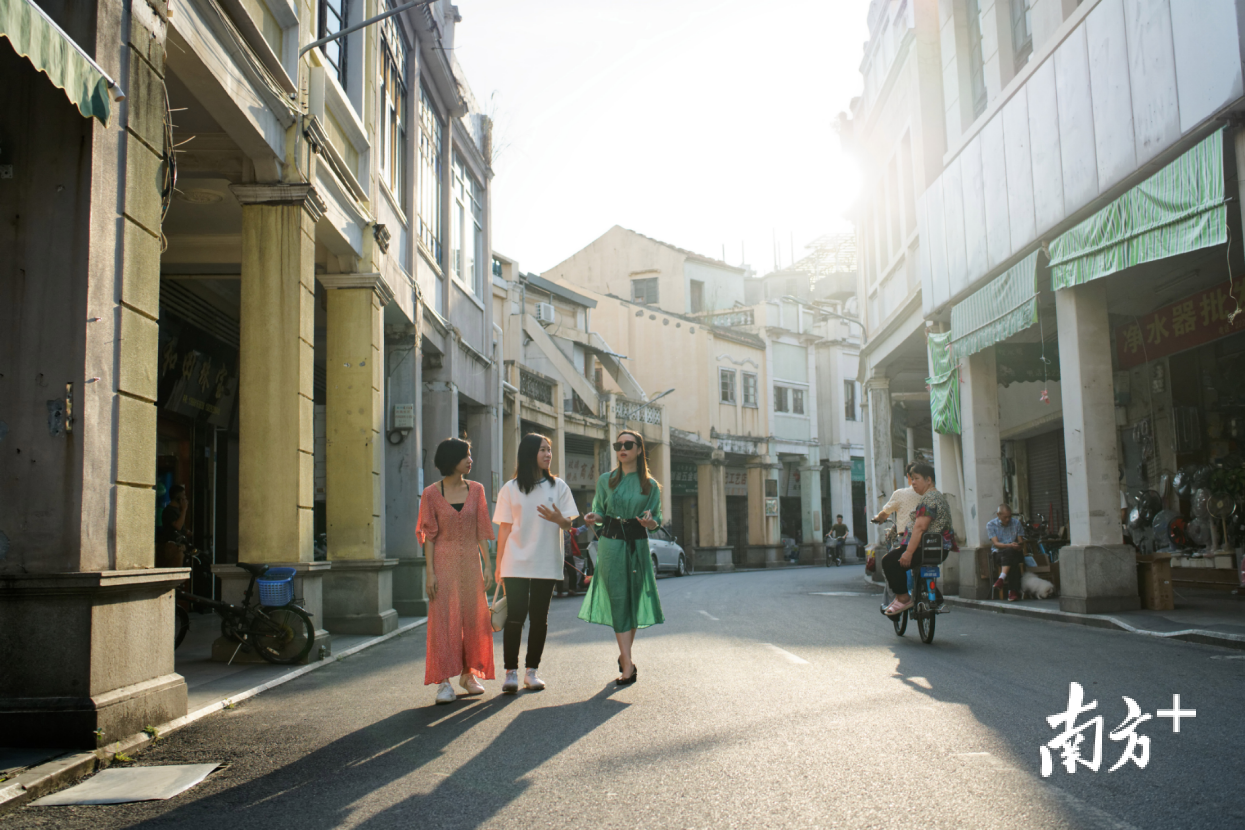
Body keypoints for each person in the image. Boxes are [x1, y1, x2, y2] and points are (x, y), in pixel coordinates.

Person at [494, 433, 579, 694]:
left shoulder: (559, 486)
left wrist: (559, 520)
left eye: (549, 450)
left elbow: (569, 525)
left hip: (546, 561)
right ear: (530, 453)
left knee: (539, 618)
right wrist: (498, 566)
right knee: (515, 616)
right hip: (515, 562)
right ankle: (511, 672)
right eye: (542, 450)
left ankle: (532, 672)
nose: (547, 454)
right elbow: (505, 529)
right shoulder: (510, 488)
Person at [580, 430, 664, 686]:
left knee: (633, 600)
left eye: (628, 444)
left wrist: (650, 522)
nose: (622, 448)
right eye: (618, 444)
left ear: (640, 449)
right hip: (611, 545)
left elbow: (656, 521)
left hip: (638, 545)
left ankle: (624, 654)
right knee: (618, 599)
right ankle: (627, 663)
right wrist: (595, 517)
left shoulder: (650, 486)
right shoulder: (606, 480)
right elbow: (601, 511)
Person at [417, 437, 496, 705]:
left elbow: (482, 529)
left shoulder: (477, 490)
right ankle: (443, 682)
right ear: (452, 460)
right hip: (443, 562)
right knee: (444, 621)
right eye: (465, 455)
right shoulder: (430, 494)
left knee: (473, 619)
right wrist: (430, 572)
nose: (470, 459)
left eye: (470, 454)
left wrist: (488, 564)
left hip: (471, 564)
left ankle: (469, 674)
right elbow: (428, 535)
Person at [881, 463, 957, 616]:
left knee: (889, 561)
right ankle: (936, 597)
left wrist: (908, 552)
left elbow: (921, 527)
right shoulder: (938, 497)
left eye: (916, 478)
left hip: (925, 548)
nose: (913, 482)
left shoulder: (929, 499)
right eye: (912, 479)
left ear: (929, 480)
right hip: (939, 549)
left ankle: (903, 598)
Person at [988, 503, 1026, 602]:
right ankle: (1012, 591)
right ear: (998, 515)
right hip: (999, 553)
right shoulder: (991, 525)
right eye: (1005, 517)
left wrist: (1018, 545)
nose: (1008, 519)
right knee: (1012, 558)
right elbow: (996, 544)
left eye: (1009, 517)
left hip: (1014, 551)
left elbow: (1020, 541)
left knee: (1012, 553)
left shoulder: (1016, 523)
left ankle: (1001, 578)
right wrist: (1010, 545)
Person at [871, 462, 920, 535]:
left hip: (906, 537)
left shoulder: (900, 494)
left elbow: (885, 513)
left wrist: (878, 518)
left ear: (908, 476)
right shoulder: (930, 495)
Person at [157, 484, 190, 568]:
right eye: (183, 495)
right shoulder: (169, 511)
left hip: (181, 547)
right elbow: (177, 526)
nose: (185, 498)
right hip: (173, 548)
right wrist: (184, 510)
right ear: (178, 497)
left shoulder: (177, 511)